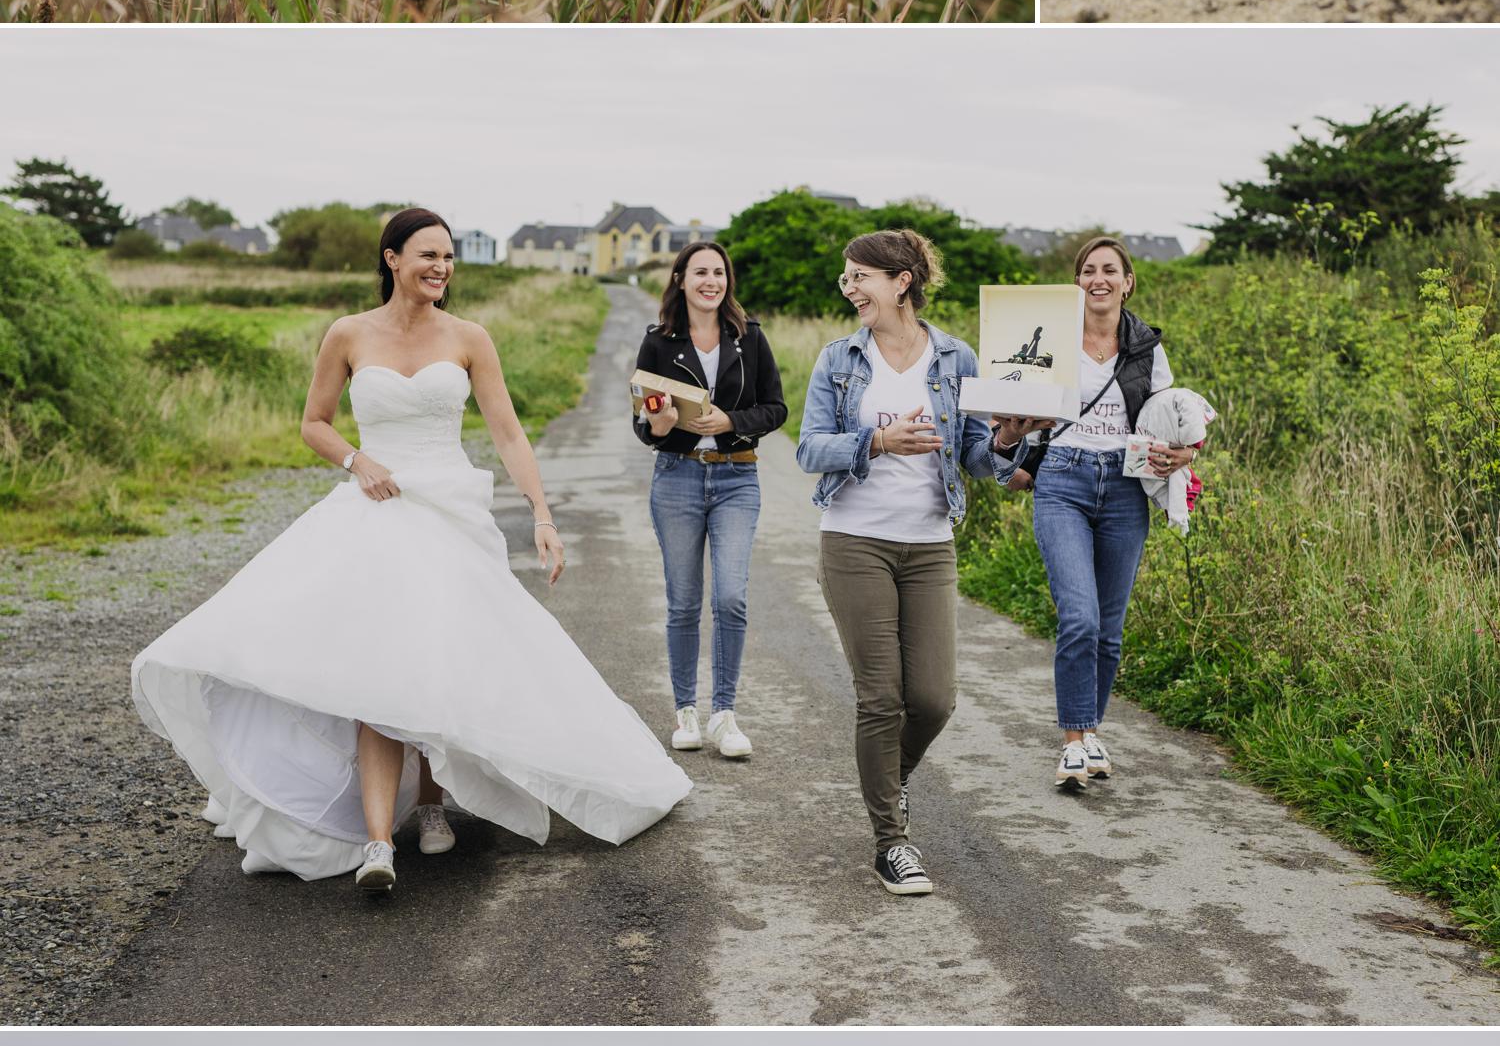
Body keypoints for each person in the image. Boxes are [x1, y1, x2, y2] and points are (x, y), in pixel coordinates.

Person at [133, 207, 690, 893]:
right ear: (392, 258)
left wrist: (541, 513)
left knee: (438, 657)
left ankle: (432, 803)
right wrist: (356, 462)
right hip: (373, 511)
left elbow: (510, 435)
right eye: (428, 254)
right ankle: (375, 843)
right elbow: (314, 422)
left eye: (449, 257)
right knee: (378, 663)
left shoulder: (468, 337)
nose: (441, 267)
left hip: (448, 510)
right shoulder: (348, 333)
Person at [796, 231, 1006, 897]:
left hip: (930, 543)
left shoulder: (957, 356)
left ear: (903, 280)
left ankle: (888, 780)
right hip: (854, 539)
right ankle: (892, 842)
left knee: (934, 699)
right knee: (881, 697)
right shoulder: (838, 359)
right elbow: (808, 450)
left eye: (860, 276)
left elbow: (974, 453)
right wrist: (879, 440)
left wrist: (1007, 440)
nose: (850, 288)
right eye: (846, 278)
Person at [994, 236, 1199, 794]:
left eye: (1110, 270)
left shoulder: (1148, 348)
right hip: (1062, 478)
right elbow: (1005, 424)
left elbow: (1173, 420)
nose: (1098, 279)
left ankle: (1089, 732)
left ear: (1128, 281)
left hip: (1127, 486)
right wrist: (1012, 428)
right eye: (1088, 270)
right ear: (1076, 282)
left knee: (1109, 630)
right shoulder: (1043, 340)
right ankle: (1072, 743)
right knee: (1079, 616)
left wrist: (1184, 455)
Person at [634, 241, 787, 760]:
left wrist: (730, 422)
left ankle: (725, 713)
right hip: (676, 478)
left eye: (718, 273)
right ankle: (686, 711)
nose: (710, 281)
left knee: (730, 597)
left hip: (737, 479)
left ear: (728, 281)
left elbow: (776, 408)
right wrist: (657, 426)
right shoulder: (658, 342)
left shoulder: (750, 338)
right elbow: (645, 420)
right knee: (683, 601)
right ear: (680, 279)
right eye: (700, 272)